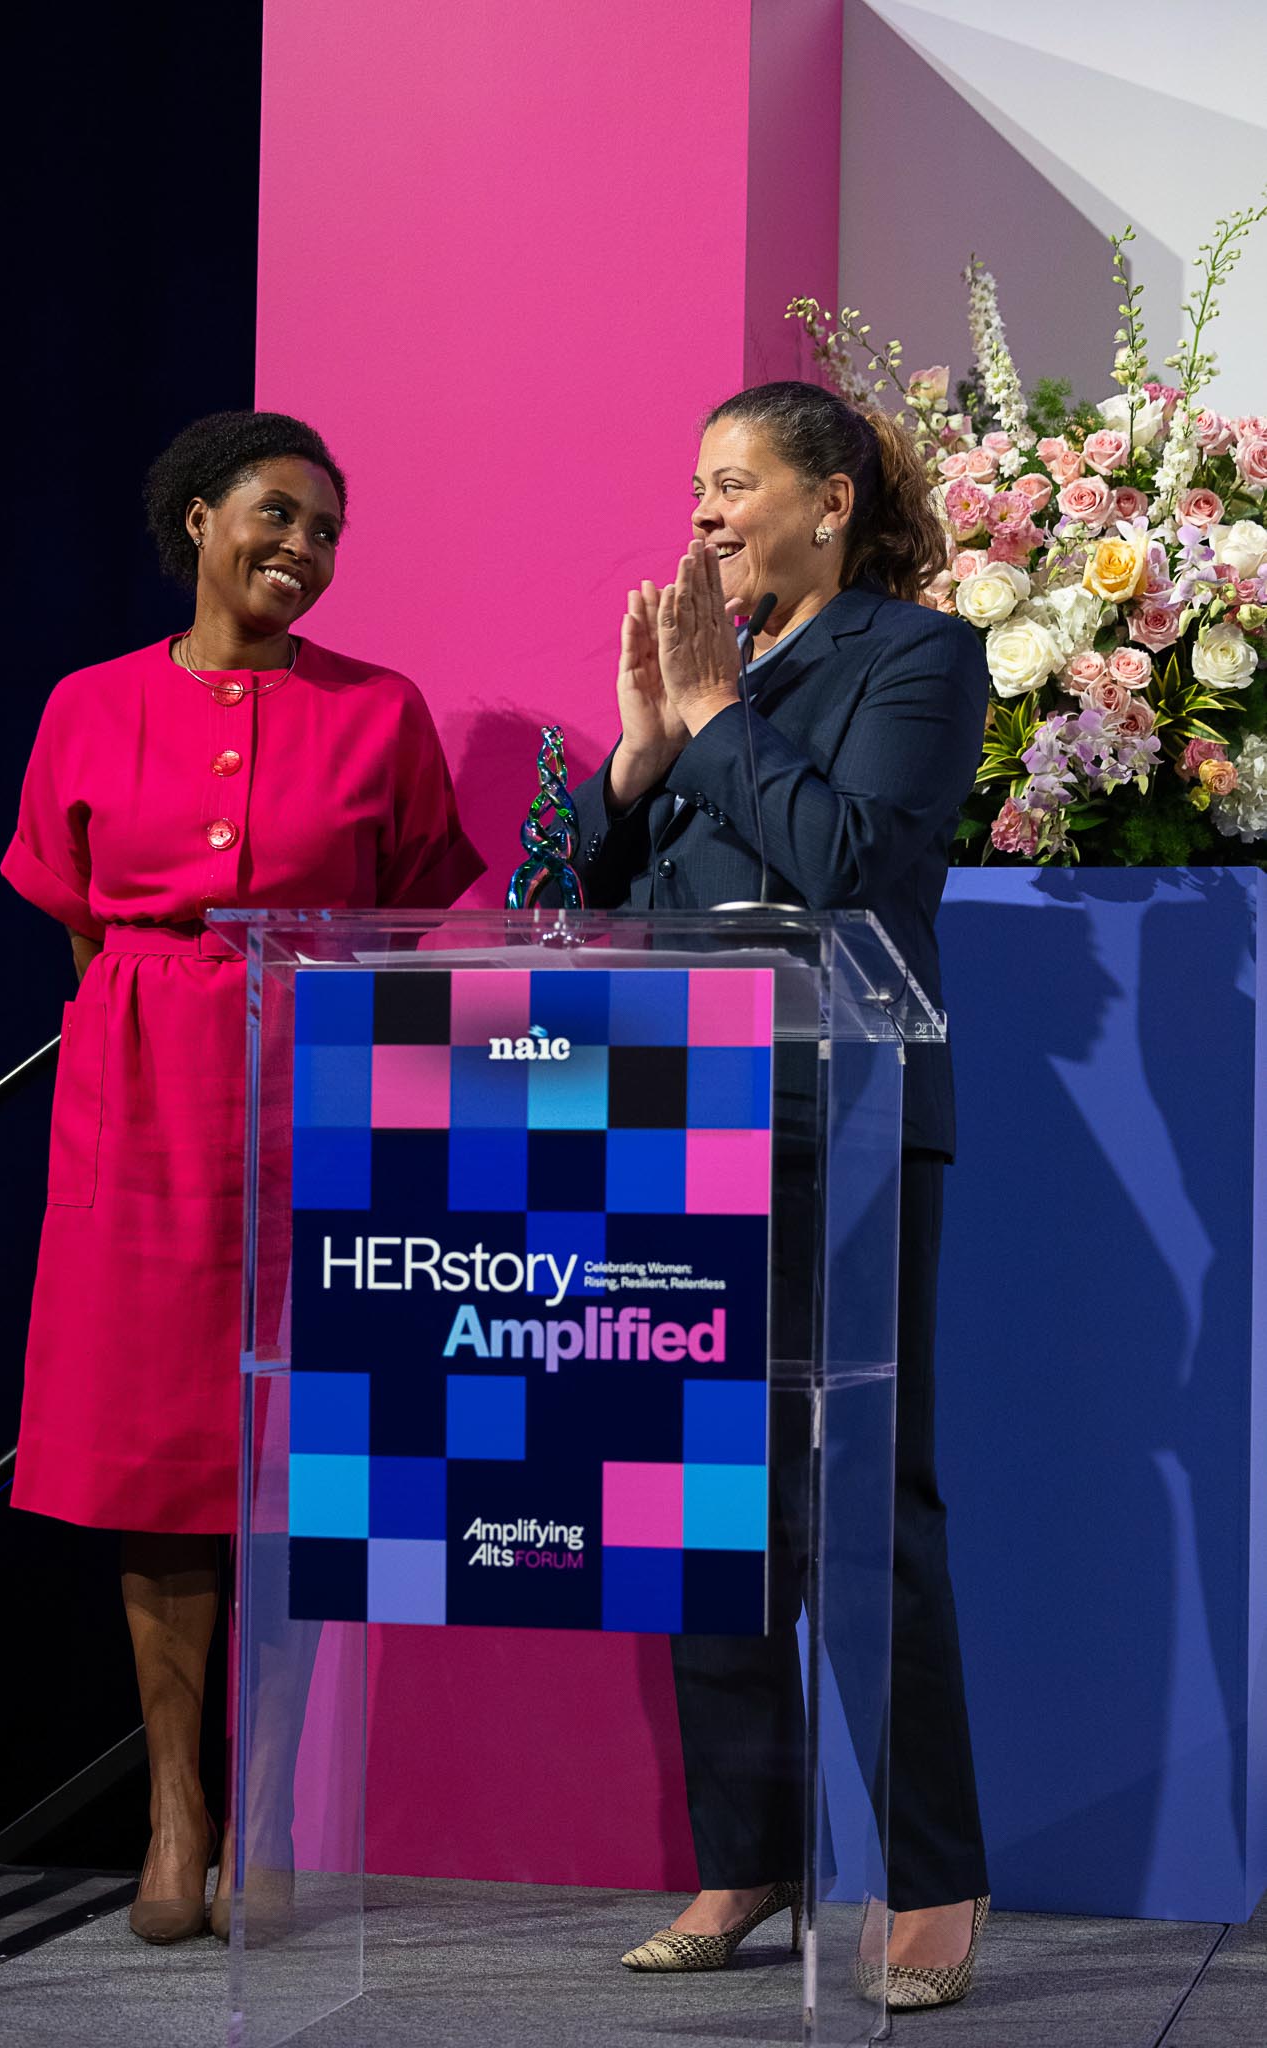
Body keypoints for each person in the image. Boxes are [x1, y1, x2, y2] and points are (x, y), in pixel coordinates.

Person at [1, 410, 483, 1943]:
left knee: (304, 1454)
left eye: (328, 530)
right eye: (279, 513)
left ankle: (267, 1811)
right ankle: (174, 1808)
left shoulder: (381, 710)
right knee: (157, 1457)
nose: (304, 547)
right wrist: (156, 1015)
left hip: (323, 1098)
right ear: (199, 518)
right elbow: (77, 918)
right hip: (141, 1097)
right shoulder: (88, 703)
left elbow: (411, 915)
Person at [568, 381, 990, 2011]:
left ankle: (933, 1878)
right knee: (700, 1516)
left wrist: (713, 720)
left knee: (864, 1509)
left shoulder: (916, 657)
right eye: (697, 484)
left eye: (734, 483)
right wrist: (635, 764)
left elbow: (854, 866)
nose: (704, 513)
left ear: (830, 501)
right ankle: (744, 1858)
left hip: (847, 1123)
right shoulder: (707, 675)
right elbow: (591, 901)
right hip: (675, 1122)